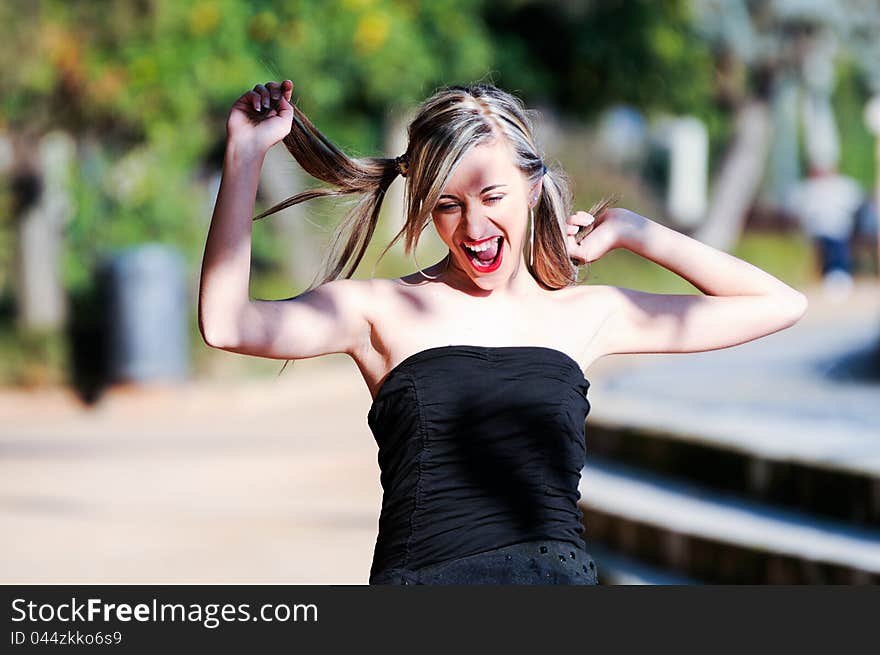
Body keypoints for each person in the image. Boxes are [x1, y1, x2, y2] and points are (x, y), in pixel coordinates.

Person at [198, 79, 809, 585]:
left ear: (533, 187)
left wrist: (629, 228)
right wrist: (244, 156)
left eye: (493, 195)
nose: (474, 225)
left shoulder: (585, 313)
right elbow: (228, 323)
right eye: (447, 205)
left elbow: (777, 303)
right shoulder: (378, 311)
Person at [785, 166, 865, 300]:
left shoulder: (839, 186)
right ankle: (835, 276)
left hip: (837, 230)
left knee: (835, 247)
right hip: (820, 231)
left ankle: (837, 276)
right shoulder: (810, 188)